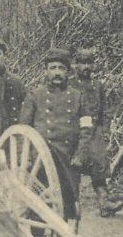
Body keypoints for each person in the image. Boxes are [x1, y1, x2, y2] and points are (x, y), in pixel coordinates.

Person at [20, 47, 92, 225]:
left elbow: (87, 128)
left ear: (68, 72)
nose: (57, 73)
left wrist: (81, 154)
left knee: (66, 209)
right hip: (41, 161)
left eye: (61, 68)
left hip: (68, 161)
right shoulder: (35, 95)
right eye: (53, 68)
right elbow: (23, 129)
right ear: (46, 71)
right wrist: (27, 156)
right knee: (39, 207)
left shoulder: (78, 97)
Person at [72, 46, 123, 217]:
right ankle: (73, 205)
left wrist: (104, 129)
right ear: (76, 64)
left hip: (94, 131)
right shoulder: (70, 84)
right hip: (75, 131)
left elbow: (105, 111)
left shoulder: (98, 85)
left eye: (89, 63)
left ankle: (104, 203)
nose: (86, 67)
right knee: (74, 166)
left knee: (99, 165)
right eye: (82, 63)